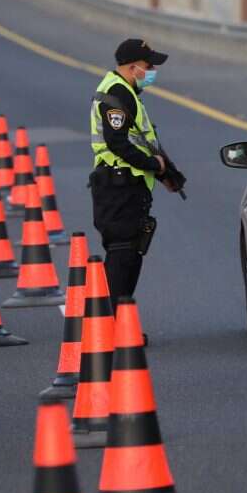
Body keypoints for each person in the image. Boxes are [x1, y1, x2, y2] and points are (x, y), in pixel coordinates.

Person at [89, 38, 180, 308]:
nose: (152, 71)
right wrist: (154, 165)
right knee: (123, 253)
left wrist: (167, 175)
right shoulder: (117, 94)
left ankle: (116, 320)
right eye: (148, 65)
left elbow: (142, 139)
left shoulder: (126, 92)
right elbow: (118, 144)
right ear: (132, 67)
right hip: (119, 185)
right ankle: (115, 322)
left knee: (129, 251)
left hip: (126, 184)